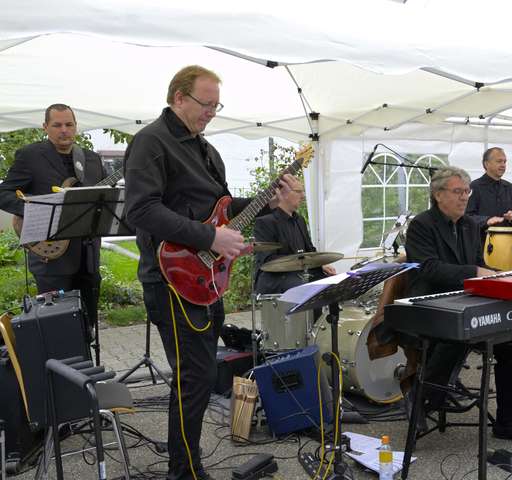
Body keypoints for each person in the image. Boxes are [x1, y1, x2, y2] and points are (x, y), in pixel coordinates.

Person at [124, 65, 293, 480]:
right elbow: (141, 210)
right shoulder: (151, 143)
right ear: (178, 97)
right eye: (206, 104)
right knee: (194, 378)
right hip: (172, 279)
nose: (212, 113)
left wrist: (265, 201)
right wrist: (209, 239)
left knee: (201, 377)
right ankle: (184, 472)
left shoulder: (206, 151)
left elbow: (222, 209)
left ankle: (188, 465)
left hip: (206, 280)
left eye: (217, 105)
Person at [405, 165, 512, 444]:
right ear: (438, 194)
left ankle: (506, 421)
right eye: (458, 192)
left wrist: (504, 276)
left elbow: (479, 265)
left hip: (466, 300)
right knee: (455, 337)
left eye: (467, 191)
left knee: (511, 340)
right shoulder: (421, 225)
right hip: (429, 304)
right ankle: (421, 400)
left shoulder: (469, 225)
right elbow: (429, 269)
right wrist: (475, 272)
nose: (465, 197)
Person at [0, 103, 105, 345]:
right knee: (56, 327)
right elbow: (4, 192)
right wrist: (34, 210)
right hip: (51, 256)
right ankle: (59, 375)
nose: (64, 130)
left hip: (88, 256)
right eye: (57, 125)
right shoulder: (30, 156)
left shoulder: (91, 159)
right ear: (45, 127)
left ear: (76, 127)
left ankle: (86, 373)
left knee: (87, 328)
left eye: (69, 124)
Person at [254, 179, 336, 294]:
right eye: (299, 191)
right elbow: (267, 259)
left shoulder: (300, 220)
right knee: (304, 287)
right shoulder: (265, 222)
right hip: (275, 279)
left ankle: (332, 313)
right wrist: (296, 261)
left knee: (332, 283)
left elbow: (310, 250)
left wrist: (321, 265)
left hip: (298, 274)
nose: (303, 196)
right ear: (283, 193)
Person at [465, 147, 512, 228]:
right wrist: (487, 220)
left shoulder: (511, 189)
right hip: (481, 239)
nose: (503, 165)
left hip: (507, 239)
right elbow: (466, 217)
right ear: (486, 164)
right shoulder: (474, 187)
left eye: (504, 162)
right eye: (499, 161)